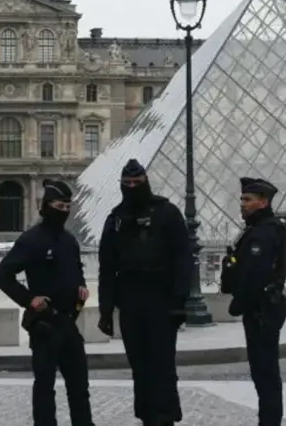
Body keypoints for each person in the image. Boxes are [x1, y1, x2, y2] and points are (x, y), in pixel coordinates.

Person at [97, 159, 191, 426]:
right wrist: (106, 311)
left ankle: (166, 418)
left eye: (137, 183)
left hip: (161, 298)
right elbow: (107, 268)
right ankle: (148, 417)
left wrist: (179, 301)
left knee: (162, 365)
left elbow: (183, 258)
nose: (133, 188)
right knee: (139, 367)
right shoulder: (115, 219)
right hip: (130, 300)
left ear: (146, 182)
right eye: (127, 184)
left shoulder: (167, 212)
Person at [0, 180, 94, 426]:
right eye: (60, 206)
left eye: (68, 206)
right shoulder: (31, 240)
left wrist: (81, 288)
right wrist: (29, 299)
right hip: (45, 325)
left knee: (80, 386)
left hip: (69, 322)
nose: (64, 211)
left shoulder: (70, 240)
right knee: (45, 388)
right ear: (46, 206)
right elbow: (2, 275)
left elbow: (77, 270)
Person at [220, 177, 286, 426]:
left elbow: (254, 276)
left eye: (247, 200)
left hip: (262, 310)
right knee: (263, 373)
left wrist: (237, 305)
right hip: (263, 308)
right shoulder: (260, 229)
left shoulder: (265, 233)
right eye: (242, 199)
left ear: (263, 202)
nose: (242, 204)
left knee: (265, 374)